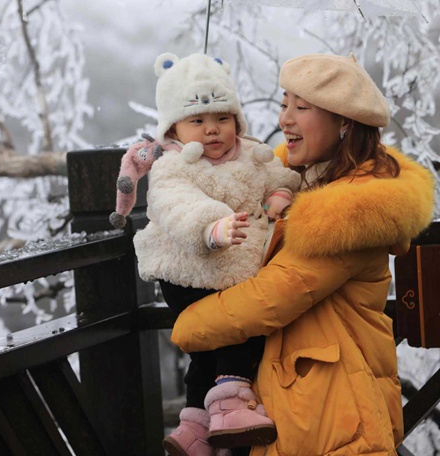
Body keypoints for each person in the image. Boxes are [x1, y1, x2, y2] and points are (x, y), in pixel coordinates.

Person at [170, 52, 436, 456]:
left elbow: (271, 297)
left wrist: (188, 324)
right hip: (298, 397)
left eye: (302, 107)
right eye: (283, 104)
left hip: (335, 411)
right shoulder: (296, 184)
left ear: (344, 121)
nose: (285, 120)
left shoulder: (350, 210)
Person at [132, 52, 301, 456]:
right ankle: (230, 408)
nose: (212, 130)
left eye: (222, 119)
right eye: (198, 121)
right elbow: (175, 205)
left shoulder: (249, 153)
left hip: (229, 266)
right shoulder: (173, 166)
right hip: (188, 269)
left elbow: (274, 174)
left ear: (237, 122)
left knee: (208, 350)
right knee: (237, 332)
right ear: (174, 127)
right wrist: (210, 225)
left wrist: (280, 192)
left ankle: (194, 428)